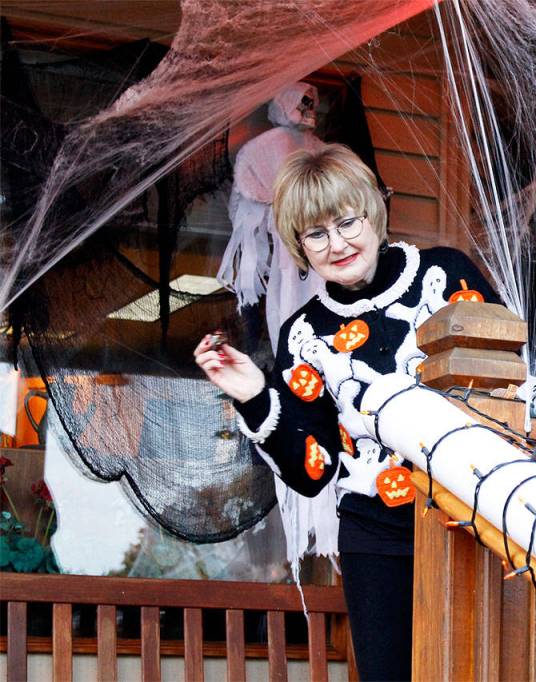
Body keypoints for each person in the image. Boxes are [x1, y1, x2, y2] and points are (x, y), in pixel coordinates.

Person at [194, 143, 496, 680]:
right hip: (376, 536)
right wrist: (255, 394)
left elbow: (504, 381)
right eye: (316, 234)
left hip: (477, 518)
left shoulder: (445, 275)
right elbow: (314, 472)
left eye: (347, 222)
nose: (337, 244)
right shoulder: (305, 334)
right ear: (298, 245)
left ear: (373, 213)